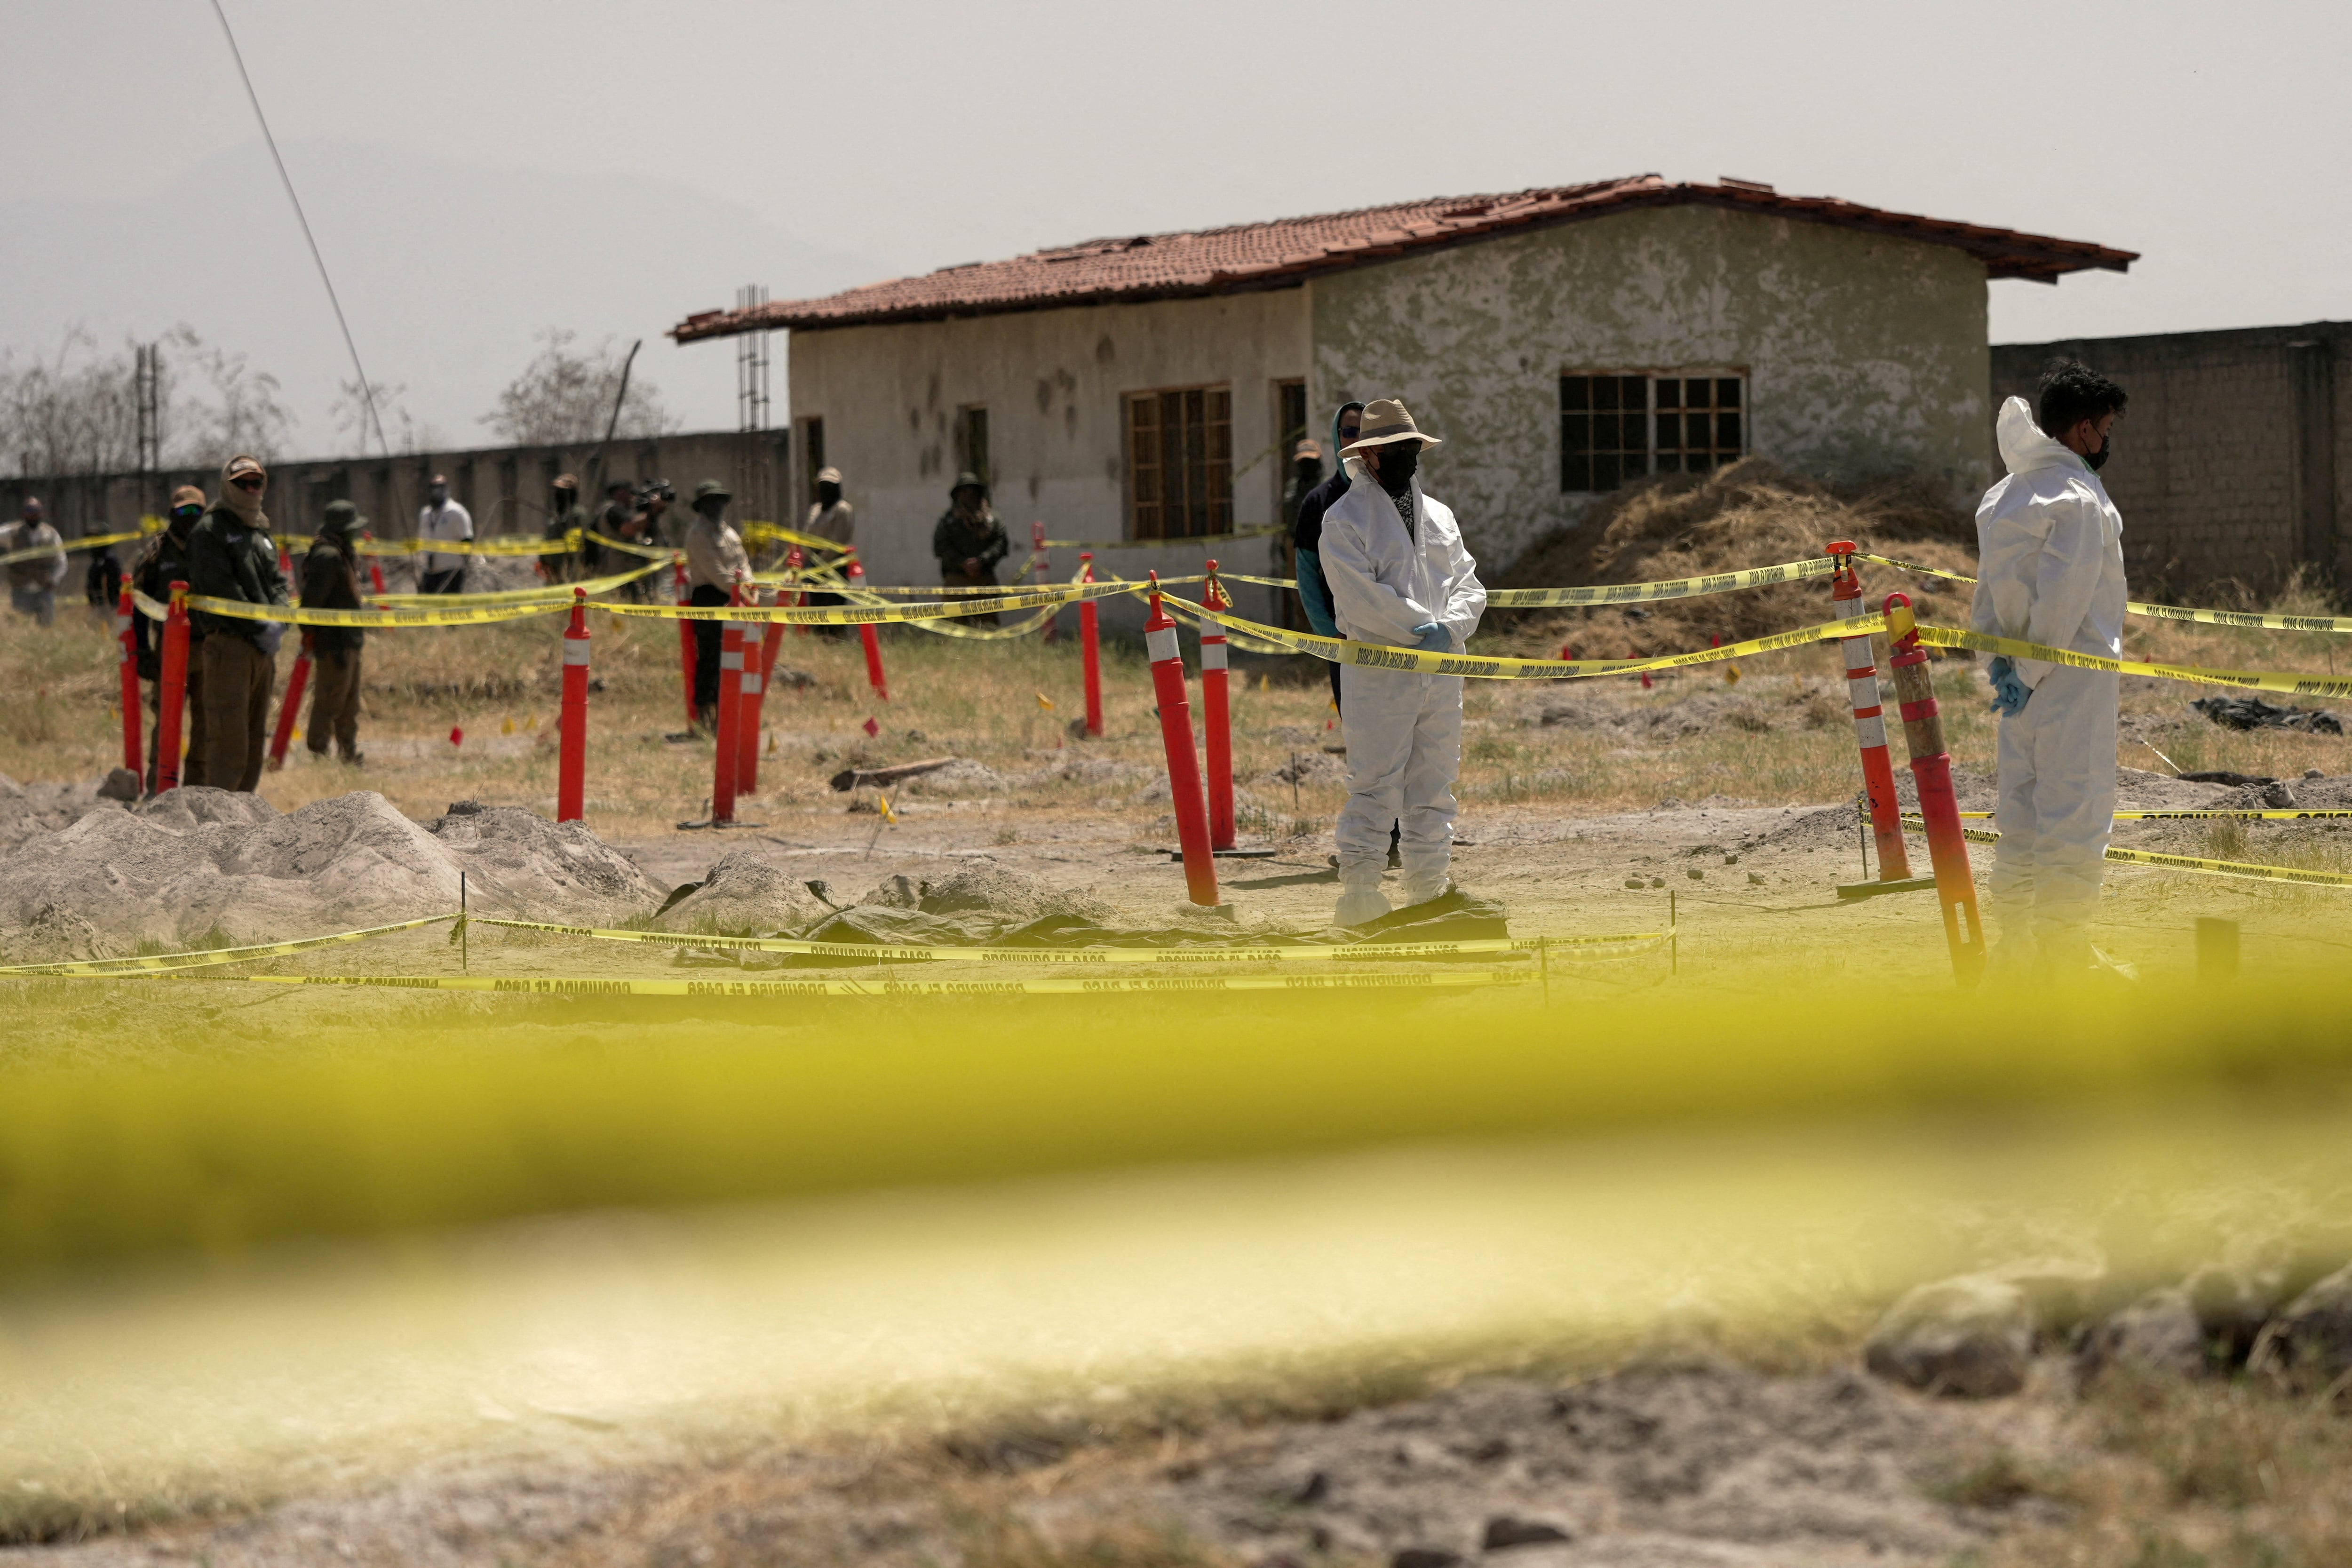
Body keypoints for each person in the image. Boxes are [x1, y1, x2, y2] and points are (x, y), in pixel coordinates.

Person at [1970, 359, 2131, 978]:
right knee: (2077, 812)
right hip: (2074, 675)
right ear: (2085, 430)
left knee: (2022, 813)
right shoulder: (2078, 497)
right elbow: (2066, 601)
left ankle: (2015, 952)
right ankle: (2064, 959)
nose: (2107, 440)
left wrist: (2000, 669)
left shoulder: (2003, 495)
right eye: (2106, 427)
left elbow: (1984, 596)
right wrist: (2032, 672)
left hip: (2017, 687)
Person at [1318, 399, 1485, 927]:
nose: (1407, 458)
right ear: (1367, 454)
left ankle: (1428, 893)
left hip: (1441, 673)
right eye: (1396, 450)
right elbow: (1359, 597)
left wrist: (1450, 628)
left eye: (1412, 448)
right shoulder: (1343, 519)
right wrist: (1419, 628)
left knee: (1433, 787)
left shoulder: (1440, 515)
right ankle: (1361, 897)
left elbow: (1468, 584)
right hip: (1379, 673)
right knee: (1374, 784)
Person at [186, 454, 289, 792]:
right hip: (229, 644)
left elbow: (278, 583)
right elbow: (222, 589)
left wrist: (280, 620)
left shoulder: (261, 531)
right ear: (226, 487)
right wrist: (260, 625)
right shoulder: (211, 531)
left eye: (255, 482)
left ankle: (246, 818)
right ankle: (221, 823)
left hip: (262, 650)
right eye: (241, 483)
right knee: (229, 740)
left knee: (254, 738)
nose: (249, 489)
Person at [134, 486, 210, 789]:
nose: (189, 518)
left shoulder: (211, 549)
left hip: (208, 647)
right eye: (183, 511)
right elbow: (140, 603)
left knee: (207, 722)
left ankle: (198, 788)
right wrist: (141, 649)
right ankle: (160, 786)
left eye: (196, 511)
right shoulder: (157, 552)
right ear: (172, 514)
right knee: (166, 720)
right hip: (168, 650)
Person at [1291, 402, 1364, 710]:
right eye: (1349, 431)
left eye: (1365, 431)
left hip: (1392, 637)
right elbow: (1306, 572)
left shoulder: (1392, 495)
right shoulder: (1317, 502)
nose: (1357, 439)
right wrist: (1329, 632)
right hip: (1343, 637)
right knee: (1356, 723)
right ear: (1337, 438)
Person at [302, 499, 367, 764]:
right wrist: (315, 636)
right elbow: (312, 604)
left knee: (349, 705)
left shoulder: (341, 553)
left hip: (349, 640)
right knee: (329, 701)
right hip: (334, 644)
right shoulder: (327, 557)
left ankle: (348, 754)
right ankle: (318, 755)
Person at [683, 478, 750, 728]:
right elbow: (715, 572)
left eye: (720, 501)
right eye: (711, 501)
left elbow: (743, 563)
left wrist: (749, 588)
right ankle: (704, 715)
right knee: (710, 656)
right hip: (710, 598)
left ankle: (728, 714)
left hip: (735, 598)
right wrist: (740, 591)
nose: (717, 506)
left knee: (733, 658)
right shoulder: (697, 534)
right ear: (702, 506)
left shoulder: (730, 532)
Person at [931, 470, 1009, 624]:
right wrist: (963, 563)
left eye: (973, 490)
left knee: (988, 626)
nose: (969, 494)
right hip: (956, 580)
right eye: (965, 490)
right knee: (954, 626)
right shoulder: (948, 521)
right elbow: (940, 547)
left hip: (984, 580)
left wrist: (981, 561)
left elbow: (1001, 543)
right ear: (958, 495)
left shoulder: (992, 520)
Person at [801, 466, 854, 627]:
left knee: (834, 610)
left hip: (834, 565)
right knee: (817, 610)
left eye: (830, 487)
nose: (826, 491)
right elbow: (807, 535)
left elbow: (837, 541)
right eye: (823, 487)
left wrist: (820, 564)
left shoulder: (843, 510)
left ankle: (835, 642)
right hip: (814, 564)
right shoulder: (816, 510)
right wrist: (809, 561)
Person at [4, 497, 67, 625]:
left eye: (36, 510)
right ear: (24, 513)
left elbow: (62, 561)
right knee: (21, 628)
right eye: (29, 510)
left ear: (41, 513)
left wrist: (54, 580)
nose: (33, 514)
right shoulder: (13, 532)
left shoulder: (51, 534)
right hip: (21, 590)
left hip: (44, 590)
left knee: (46, 628)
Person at [417, 473, 473, 594]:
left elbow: (467, 540)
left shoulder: (457, 513)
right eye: (434, 489)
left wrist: (465, 563)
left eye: (440, 488)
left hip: (451, 570)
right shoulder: (425, 514)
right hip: (429, 571)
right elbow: (422, 540)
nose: (436, 493)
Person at [539, 473, 585, 583]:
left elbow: (577, 547)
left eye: (562, 492)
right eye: (557, 491)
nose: (558, 495)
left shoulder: (577, 516)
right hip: (552, 573)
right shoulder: (555, 518)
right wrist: (543, 561)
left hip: (570, 573)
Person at [85, 542, 124, 613]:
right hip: (102, 602)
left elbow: (115, 581)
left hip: (113, 600)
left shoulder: (109, 560)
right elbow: (92, 583)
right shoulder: (96, 563)